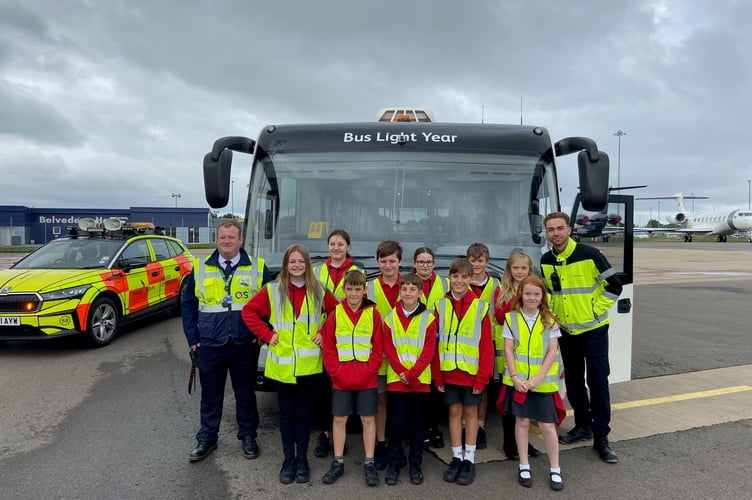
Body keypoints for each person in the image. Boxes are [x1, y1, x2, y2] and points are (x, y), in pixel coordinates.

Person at [241, 244, 340, 484]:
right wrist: (267, 334)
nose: (296, 265)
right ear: (286, 265)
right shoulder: (273, 290)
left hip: (309, 367)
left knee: (304, 415)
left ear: (307, 265)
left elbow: (339, 312)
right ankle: (288, 460)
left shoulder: (318, 290)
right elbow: (249, 312)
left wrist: (324, 332)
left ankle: (303, 460)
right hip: (282, 366)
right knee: (286, 415)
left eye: (301, 262)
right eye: (292, 261)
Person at [181, 219, 270, 463]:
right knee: (210, 396)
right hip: (210, 344)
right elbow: (188, 305)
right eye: (222, 237)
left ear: (241, 240)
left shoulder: (258, 267)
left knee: (246, 395)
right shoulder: (199, 268)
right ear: (217, 239)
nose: (226, 241)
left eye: (231, 237)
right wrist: (193, 339)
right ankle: (207, 438)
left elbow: (272, 304)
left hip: (245, 344)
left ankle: (248, 436)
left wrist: (262, 333)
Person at [541, 211, 622, 464]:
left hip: (593, 330)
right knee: (574, 381)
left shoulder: (590, 255)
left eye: (560, 228)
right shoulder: (546, 260)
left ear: (569, 229)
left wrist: (594, 310)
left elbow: (614, 287)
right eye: (551, 230)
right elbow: (549, 294)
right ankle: (583, 427)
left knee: (598, 381)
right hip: (567, 331)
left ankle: (601, 438)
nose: (556, 233)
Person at [498, 275, 566, 491]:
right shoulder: (511, 318)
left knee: (547, 425)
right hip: (519, 383)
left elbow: (552, 351)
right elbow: (508, 349)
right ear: (521, 295)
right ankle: (524, 464)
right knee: (523, 422)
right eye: (527, 293)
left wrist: (538, 378)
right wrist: (515, 377)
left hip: (542, 383)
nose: (531, 297)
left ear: (542, 297)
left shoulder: (550, 320)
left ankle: (555, 468)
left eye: (536, 294)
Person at [432, 258, 494, 486]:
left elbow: (486, 346)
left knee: (471, 414)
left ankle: (470, 459)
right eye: (455, 276)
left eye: (464, 277)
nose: (459, 281)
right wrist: (437, 375)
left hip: (472, 374)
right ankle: (456, 457)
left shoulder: (480, 307)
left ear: (470, 279)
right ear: (450, 278)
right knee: (454, 413)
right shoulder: (440, 305)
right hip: (448, 374)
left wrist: (482, 377)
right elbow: (434, 344)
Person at [319, 270, 383, 487]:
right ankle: (337, 461)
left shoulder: (373, 314)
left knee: (368, 419)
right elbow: (328, 347)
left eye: (358, 289)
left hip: (367, 379)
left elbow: (378, 348)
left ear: (364, 290)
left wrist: (370, 371)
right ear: (343, 290)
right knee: (339, 419)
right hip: (341, 379)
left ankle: (369, 462)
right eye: (350, 289)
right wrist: (335, 372)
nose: (354, 294)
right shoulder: (336, 313)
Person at [312, 229, 363, 458]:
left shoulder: (357, 271)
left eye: (340, 244)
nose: (336, 248)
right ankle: (324, 434)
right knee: (323, 390)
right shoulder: (316, 271)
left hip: (346, 336)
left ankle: (340, 435)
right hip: (321, 337)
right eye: (332, 243)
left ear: (348, 247)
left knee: (342, 387)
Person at [383, 273, 437, 486]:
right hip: (397, 381)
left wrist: (412, 373)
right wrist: (401, 372)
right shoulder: (390, 317)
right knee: (395, 425)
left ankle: (416, 465)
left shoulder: (429, 318)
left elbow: (428, 351)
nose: (408, 293)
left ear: (420, 293)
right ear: (400, 292)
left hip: (419, 381)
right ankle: (394, 464)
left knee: (417, 426)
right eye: (404, 289)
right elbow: (389, 348)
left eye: (412, 289)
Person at [494, 251, 542, 460]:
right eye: (516, 268)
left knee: (526, 402)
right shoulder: (502, 290)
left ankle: (524, 442)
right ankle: (509, 442)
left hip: (530, 355)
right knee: (510, 401)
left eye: (523, 268)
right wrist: (517, 298)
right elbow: (499, 316)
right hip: (510, 355)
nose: (520, 272)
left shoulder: (536, 290)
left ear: (529, 269)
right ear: (509, 270)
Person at [366, 239, 403, 470]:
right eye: (383, 260)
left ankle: (396, 445)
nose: (388, 265)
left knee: (399, 403)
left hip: (402, 357)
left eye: (392, 261)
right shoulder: (368, 287)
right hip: (378, 355)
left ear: (400, 262)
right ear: (377, 261)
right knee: (380, 400)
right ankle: (380, 443)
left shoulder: (410, 285)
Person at [466, 242, 501, 450]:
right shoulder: (461, 283)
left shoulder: (496, 285)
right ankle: (465, 426)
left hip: (489, 342)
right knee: (465, 386)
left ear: (487, 262)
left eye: (480, 261)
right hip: (465, 343)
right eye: (472, 260)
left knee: (483, 386)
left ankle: (479, 426)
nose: (476, 264)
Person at [413, 246, 447, 450]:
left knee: (436, 389)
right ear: (414, 264)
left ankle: (433, 427)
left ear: (433, 264)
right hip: (415, 344)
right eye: (420, 262)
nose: (424, 265)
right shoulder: (407, 283)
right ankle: (418, 429)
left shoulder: (446, 283)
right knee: (419, 390)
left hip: (440, 342)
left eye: (428, 262)